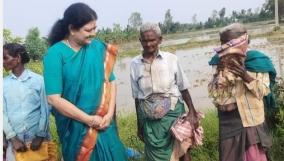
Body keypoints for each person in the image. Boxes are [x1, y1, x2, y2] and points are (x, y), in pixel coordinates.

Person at [43, 3, 127, 161]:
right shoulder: (55, 54)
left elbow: (111, 81)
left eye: (95, 28)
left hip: (104, 123)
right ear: (72, 29)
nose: (93, 34)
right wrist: (88, 120)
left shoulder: (97, 48)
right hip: (75, 128)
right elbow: (53, 98)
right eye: (88, 30)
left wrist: (108, 115)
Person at [130, 22, 199, 161]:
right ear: (140, 41)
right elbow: (137, 98)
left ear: (160, 40)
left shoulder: (171, 59)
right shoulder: (135, 64)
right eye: (145, 40)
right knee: (155, 154)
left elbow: (183, 87)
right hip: (149, 120)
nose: (148, 44)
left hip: (173, 114)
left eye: (152, 40)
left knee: (182, 150)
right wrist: (140, 126)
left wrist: (192, 112)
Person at [208, 23, 276, 161]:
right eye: (222, 43)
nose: (224, 47)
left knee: (254, 157)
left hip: (252, 121)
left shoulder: (258, 61)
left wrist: (246, 76)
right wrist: (218, 76)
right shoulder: (218, 63)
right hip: (229, 122)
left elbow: (263, 91)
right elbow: (214, 97)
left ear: (242, 41)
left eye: (228, 43)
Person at [3, 43, 50, 161]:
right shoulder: (3, 84)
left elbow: (45, 109)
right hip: (14, 141)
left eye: (5, 57)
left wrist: (40, 135)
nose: (2, 61)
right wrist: (13, 138)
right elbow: (2, 113)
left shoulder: (39, 80)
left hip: (38, 140)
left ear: (18, 58)